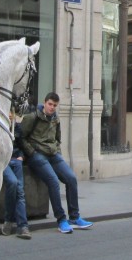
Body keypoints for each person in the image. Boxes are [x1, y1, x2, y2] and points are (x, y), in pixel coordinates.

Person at [18, 92, 93, 234]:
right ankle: (61, 220)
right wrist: (31, 152)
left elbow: (58, 138)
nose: (52, 107)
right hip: (37, 155)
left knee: (71, 178)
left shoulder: (55, 119)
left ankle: (74, 217)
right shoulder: (32, 117)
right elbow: (21, 137)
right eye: (50, 104)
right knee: (53, 181)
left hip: (53, 154)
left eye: (55, 105)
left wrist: (57, 151)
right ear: (44, 102)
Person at [0, 148, 30, 239]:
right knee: (13, 182)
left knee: (20, 191)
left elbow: (21, 143)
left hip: (16, 159)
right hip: (1, 160)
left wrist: (21, 156)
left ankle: (22, 226)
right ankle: (9, 219)